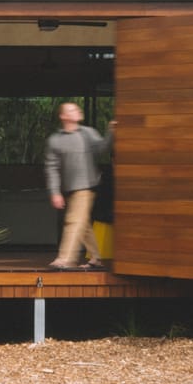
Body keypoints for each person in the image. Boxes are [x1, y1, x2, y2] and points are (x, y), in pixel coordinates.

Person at [44, 101, 112, 269]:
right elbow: (52, 168)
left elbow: (101, 149)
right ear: (63, 116)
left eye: (76, 109)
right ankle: (96, 258)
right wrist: (55, 192)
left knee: (74, 221)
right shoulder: (56, 140)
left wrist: (111, 132)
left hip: (87, 187)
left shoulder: (88, 133)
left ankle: (65, 258)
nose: (77, 111)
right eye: (72, 110)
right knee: (83, 223)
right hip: (69, 189)